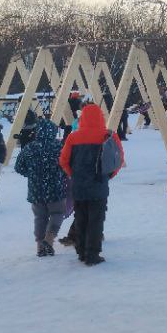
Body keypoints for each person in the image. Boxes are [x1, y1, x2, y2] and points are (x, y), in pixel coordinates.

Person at [59, 103, 125, 266]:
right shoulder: (109, 135)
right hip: (99, 185)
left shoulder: (73, 137)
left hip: (79, 186)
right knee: (96, 220)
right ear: (100, 117)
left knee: (80, 218)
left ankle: (81, 251)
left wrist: (73, 175)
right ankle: (92, 254)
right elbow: (118, 161)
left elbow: (64, 161)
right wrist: (107, 176)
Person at [14, 117, 67, 256]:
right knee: (57, 213)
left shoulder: (29, 147)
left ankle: (39, 246)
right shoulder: (59, 147)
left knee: (40, 217)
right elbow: (67, 165)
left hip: (36, 189)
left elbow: (18, 167)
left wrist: (31, 173)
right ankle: (49, 239)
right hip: (56, 188)